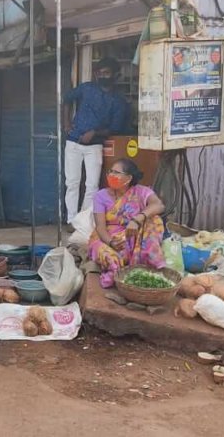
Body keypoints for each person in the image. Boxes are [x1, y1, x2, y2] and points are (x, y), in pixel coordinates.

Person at [62, 57, 129, 229]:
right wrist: (66, 124)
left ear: (115, 75)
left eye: (106, 73)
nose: (102, 76)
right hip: (73, 142)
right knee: (72, 183)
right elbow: (67, 99)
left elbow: (115, 128)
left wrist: (95, 133)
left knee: (92, 185)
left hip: (95, 146)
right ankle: (70, 220)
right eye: (99, 73)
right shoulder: (87, 88)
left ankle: (82, 222)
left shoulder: (118, 101)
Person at [87, 159, 166, 288]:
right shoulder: (100, 196)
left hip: (133, 236)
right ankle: (119, 271)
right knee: (111, 259)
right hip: (109, 238)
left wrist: (136, 219)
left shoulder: (141, 191)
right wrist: (111, 242)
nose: (111, 175)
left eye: (116, 172)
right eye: (110, 171)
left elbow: (158, 205)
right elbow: (100, 227)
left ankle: (149, 262)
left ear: (128, 178)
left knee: (154, 220)